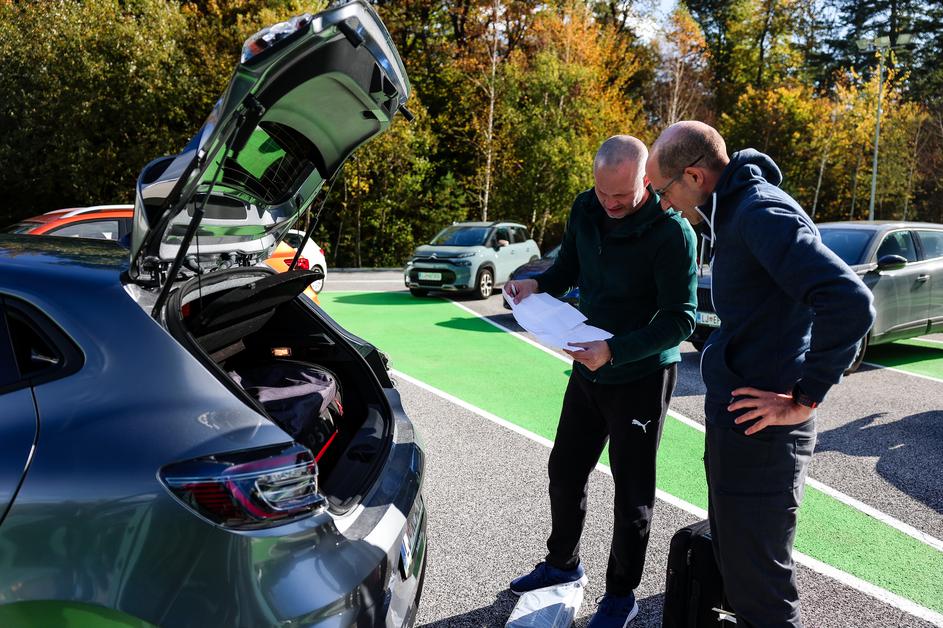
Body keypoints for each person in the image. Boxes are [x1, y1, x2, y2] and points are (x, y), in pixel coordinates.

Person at [646, 121, 875, 628]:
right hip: (741, 428)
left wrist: (805, 397)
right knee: (740, 576)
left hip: (764, 438)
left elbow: (850, 301)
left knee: (762, 596)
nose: (663, 205)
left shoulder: (758, 212)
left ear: (694, 176)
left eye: (662, 191)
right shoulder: (731, 212)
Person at [505, 135, 697, 627]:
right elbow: (568, 266)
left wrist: (615, 350)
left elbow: (682, 319)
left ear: (647, 181)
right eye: (602, 192)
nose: (610, 204)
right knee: (565, 469)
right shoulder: (585, 207)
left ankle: (620, 595)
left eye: (622, 196)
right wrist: (535, 283)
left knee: (632, 493)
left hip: (642, 373)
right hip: (587, 363)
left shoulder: (673, 233)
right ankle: (562, 564)